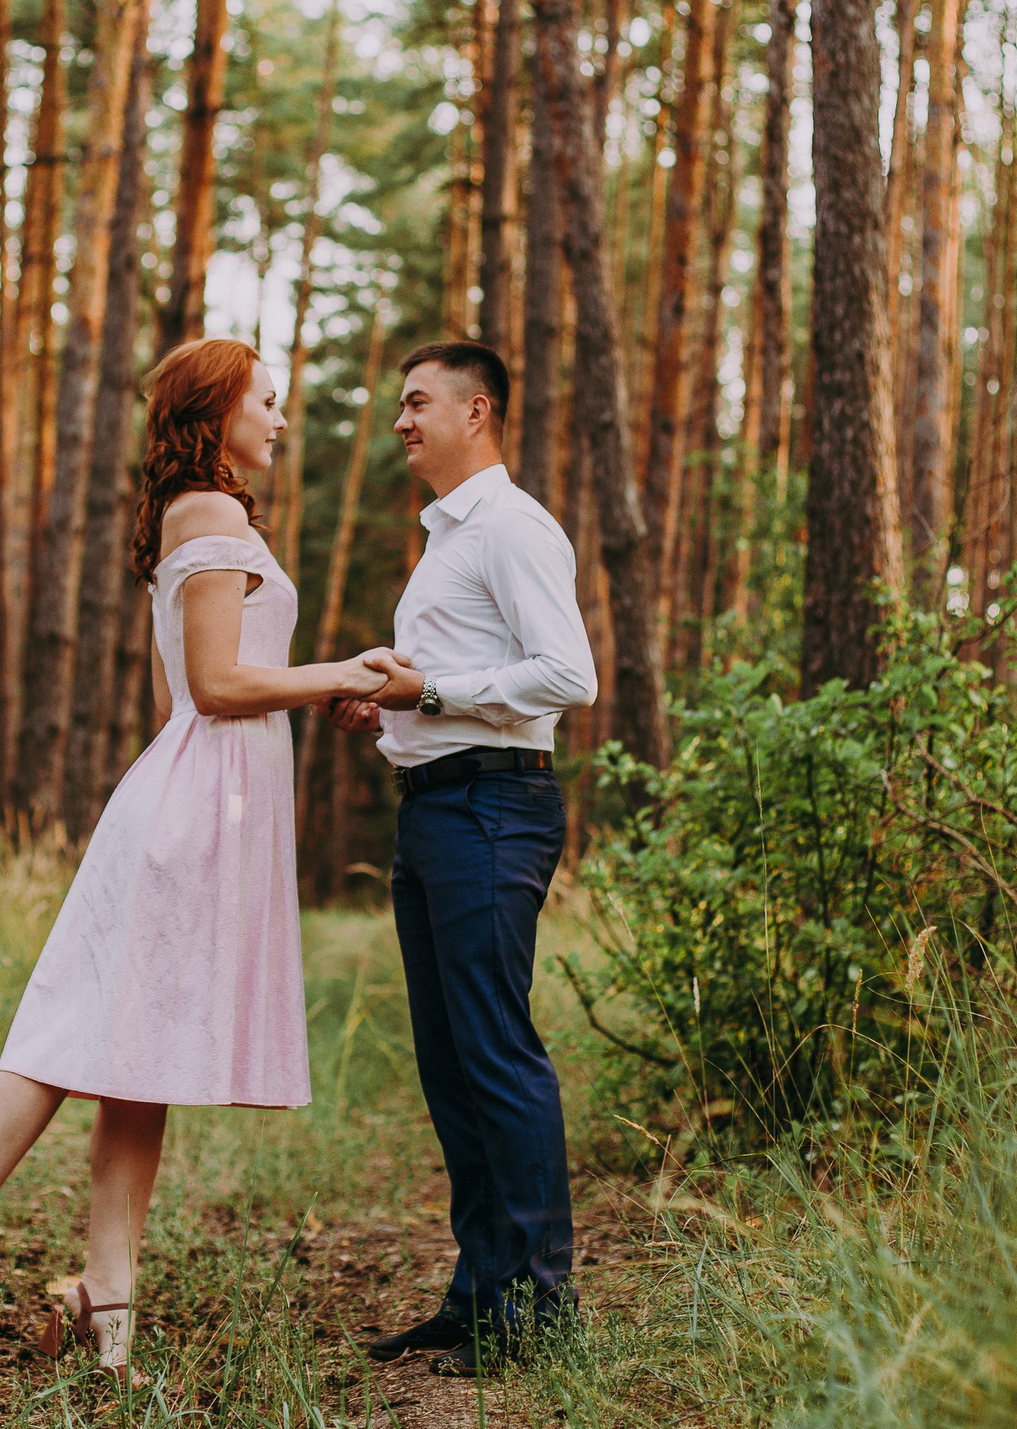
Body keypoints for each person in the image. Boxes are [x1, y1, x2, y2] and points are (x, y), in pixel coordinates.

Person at [0, 338, 394, 1381]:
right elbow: (221, 686)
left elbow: (182, 697)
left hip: (197, 799)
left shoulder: (202, 515)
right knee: (75, 1034)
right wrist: (341, 670)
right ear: (217, 409)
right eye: (267, 403)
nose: (280, 420)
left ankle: (104, 1304)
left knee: (135, 1062)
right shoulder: (215, 513)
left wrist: (317, 696)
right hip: (193, 811)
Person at [325, 339, 598, 1377]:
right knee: (450, 1065)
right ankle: (480, 1297)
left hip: (493, 810)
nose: (399, 421)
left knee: (493, 1053)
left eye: (415, 402)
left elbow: (565, 675)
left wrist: (427, 693)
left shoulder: (510, 526)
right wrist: (389, 712)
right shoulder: (444, 539)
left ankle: (536, 1310)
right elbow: (452, 683)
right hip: (438, 806)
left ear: (475, 410)